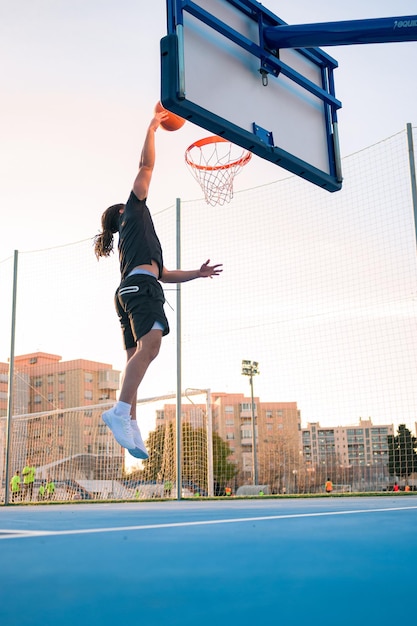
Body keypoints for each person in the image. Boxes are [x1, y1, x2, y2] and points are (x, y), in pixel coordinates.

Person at [94, 110, 222, 459]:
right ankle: (120, 412)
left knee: (135, 355)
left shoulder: (135, 239)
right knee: (151, 346)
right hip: (138, 290)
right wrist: (152, 128)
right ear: (123, 212)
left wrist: (197, 273)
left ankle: (130, 422)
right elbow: (145, 167)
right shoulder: (133, 213)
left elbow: (162, 272)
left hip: (129, 291)